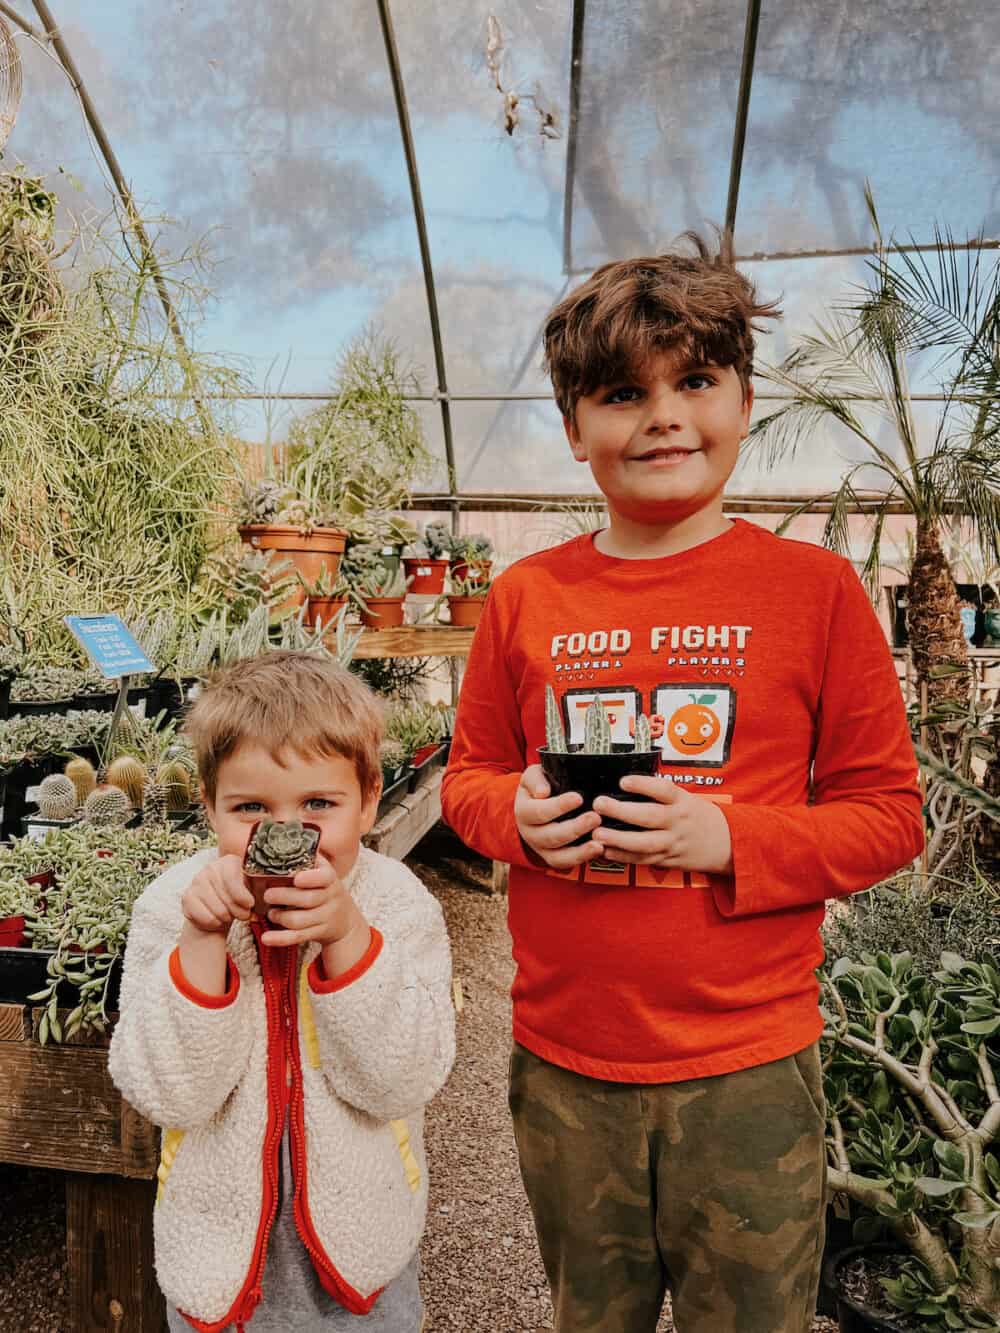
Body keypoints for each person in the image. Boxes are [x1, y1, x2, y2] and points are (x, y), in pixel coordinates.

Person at [441, 234, 924, 1333]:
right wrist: (515, 818)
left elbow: (888, 814)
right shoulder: (525, 598)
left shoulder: (814, 592)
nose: (662, 415)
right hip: (568, 1065)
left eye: (694, 381)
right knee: (589, 1315)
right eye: (621, 392)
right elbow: (471, 774)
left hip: (748, 1068)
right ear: (574, 430)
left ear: (742, 401)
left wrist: (729, 839)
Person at [109, 651, 454, 1333]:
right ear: (208, 806)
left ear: (368, 797)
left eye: (319, 803)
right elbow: (164, 1091)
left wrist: (349, 941)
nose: (286, 833)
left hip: (363, 1259)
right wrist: (201, 941)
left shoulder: (397, 906)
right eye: (252, 807)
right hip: (219, 1259)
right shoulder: (170, 907)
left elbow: (406, 1077)